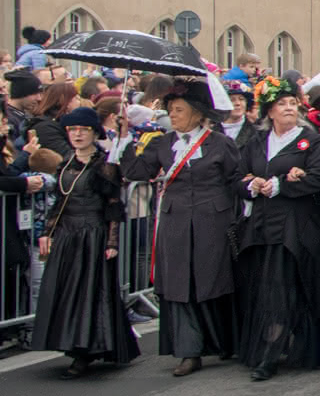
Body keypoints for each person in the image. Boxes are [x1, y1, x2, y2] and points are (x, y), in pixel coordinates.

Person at [120, 79, 242, 376]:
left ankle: (224, 340)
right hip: (175, 222)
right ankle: (190, 351)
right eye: (170, 110)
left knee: (213, 283)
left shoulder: (220, 144)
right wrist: (123, 140)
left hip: (213, 222)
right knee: (180, 285)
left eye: (178, 110)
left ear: (198, 114)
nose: (172, 115)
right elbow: (137, 171)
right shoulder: (163, 142)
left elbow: (236, 179)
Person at [29, 107, 139, 377]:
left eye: (83, 130)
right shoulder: (65, 161)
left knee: (90, 292)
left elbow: (113, 206)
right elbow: (59, 203)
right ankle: (70, 343)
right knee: (65, 291)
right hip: (67, 234)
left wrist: (112, 242)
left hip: (93, 234)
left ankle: (84, 352)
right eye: (72, 130)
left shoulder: (105, 165)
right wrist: (48, 233)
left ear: (94, 133)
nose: (77, 135)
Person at [234, 77, 320, 381]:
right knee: (264, 290)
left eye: (292, 104)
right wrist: (251, 184)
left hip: (293, 227)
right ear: (270, 111)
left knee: (284, 289)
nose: (289, 108)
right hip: (261, 227)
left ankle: (273, 353)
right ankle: (269, 345)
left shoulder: (308, 139)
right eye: (282, 104)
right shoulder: (255, 142)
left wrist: (282, 185)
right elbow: (237, 178)